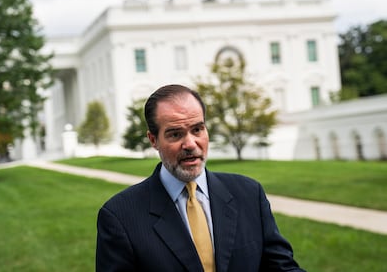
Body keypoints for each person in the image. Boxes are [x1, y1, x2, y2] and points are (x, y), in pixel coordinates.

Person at [96, 84, 306, 272]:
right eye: (175, 134)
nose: (190, 143)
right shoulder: (119, 217)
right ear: (153, 140)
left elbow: (281, 267)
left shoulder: (249, 194)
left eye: (197, 129)